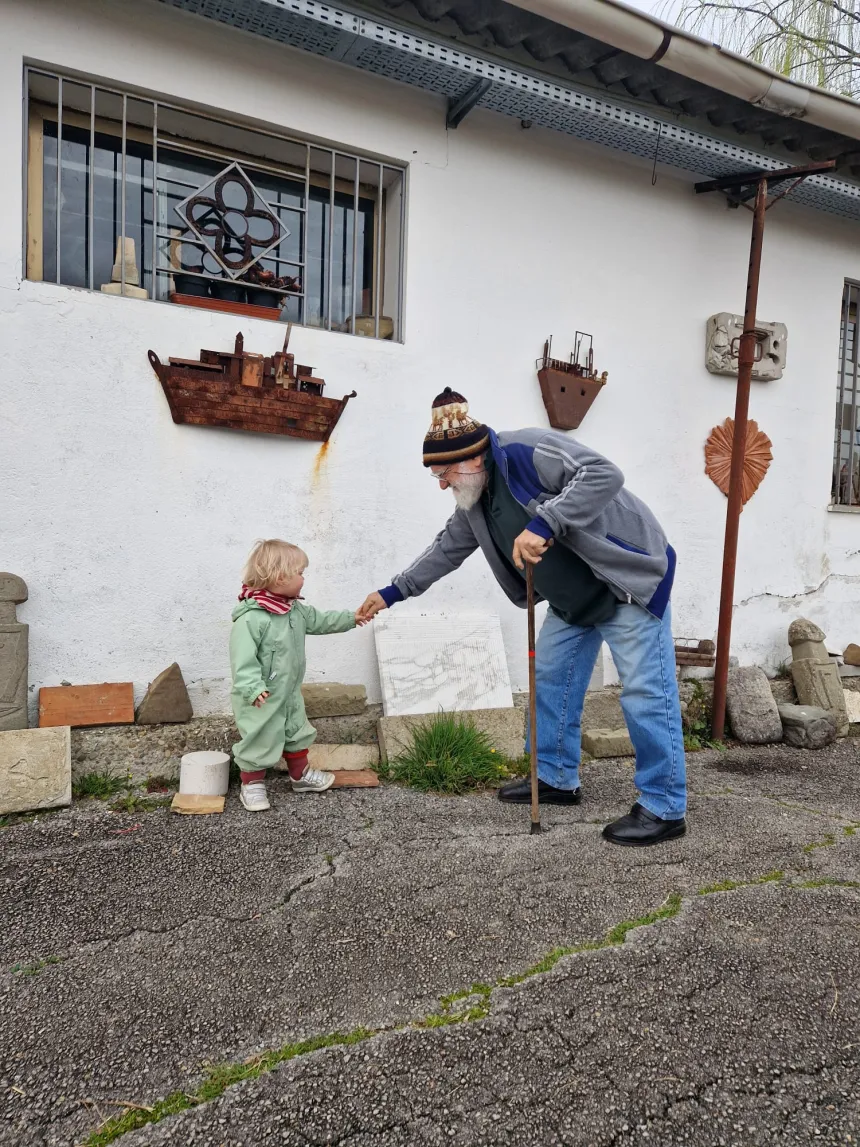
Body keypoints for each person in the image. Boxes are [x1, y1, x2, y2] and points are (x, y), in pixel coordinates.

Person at [358, 388, 687, 847]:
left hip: (626, 584)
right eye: (435, 472)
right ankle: (553, 779)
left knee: (645, 694)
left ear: (474, 458)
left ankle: (664, 806)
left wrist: (544, 522)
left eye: (445, 471)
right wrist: (392, 592)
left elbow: (603, 474)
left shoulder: (528, 451)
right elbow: (446, 549)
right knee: (550, 683)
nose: (440, 482)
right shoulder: (474, 503)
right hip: (572, 603)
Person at [231, 538, 368, 812]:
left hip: (289, 690)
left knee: (296, 730)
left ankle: (300, 775)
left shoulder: (296, 610)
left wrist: (352, 618)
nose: (304, 578)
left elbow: (323, 620)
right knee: (260, 735)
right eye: (301, 573)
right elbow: (242, 660)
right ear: (280, 577)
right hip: (261, 695)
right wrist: (252, 688)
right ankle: (252, 783)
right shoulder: (251, 618)